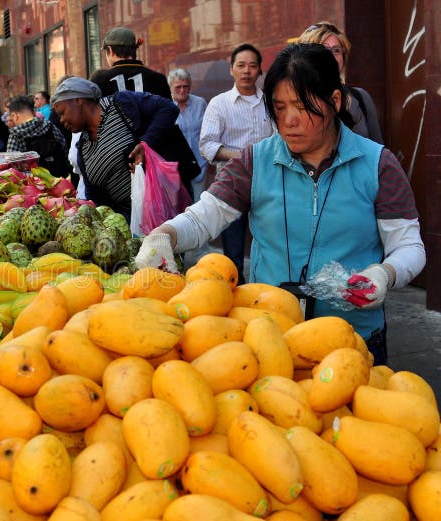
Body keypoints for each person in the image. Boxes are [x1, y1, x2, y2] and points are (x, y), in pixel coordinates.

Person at [136, 43, 425, 365]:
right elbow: (206, 216)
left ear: (335, 100)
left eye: (302, 107)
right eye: (279, 107)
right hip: (270, 337)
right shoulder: (255, 160)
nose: (289, 121)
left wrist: (384, 273)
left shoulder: (377, 164)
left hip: (353, 340)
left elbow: (409, 245)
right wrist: (164, 234)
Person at [51, 77, 184, 221]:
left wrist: (146, 144)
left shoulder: (120, 104)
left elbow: (168, 108)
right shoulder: (83, 150)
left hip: (166, 208)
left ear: (78, 100)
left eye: (62, 112)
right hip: (133, 225)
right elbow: (97, 201)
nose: (61, 120)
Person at [199, 43, 275, 284]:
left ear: (259, 70)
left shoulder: (270, 103)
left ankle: (268, 291)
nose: (247, 71)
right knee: (233, 251)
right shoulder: (219, 104)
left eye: (252, 66)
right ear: (231, 69)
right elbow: (207, 145)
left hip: (268, 182)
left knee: (270, 243)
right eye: (241, 65)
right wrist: (242, 156)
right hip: (232, 183)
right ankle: (236, 296)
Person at [298, 20, 383, 144]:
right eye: (323, 50)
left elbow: (379, 150)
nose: (331, 56)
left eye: (336, 50)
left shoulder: (361, 97)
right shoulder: (296, 98)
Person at [90, 26, 171, 99]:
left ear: (110, 50)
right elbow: (170, 112)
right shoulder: (158, 79)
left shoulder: (99, 79)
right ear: (135, 49)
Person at [6, 95, 68, 177]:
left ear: (15, 115)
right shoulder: (50, 126)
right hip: (57, 181)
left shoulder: (16, 134)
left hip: (31, 185)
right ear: (33, 111)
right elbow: (65, 151)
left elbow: (12, 168)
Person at [170, 68, 208, 201]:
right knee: (181, 207)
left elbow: (208, 131)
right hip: (176, 167)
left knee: (199, 203)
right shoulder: (165, 106)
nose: (182, 90)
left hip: (199, 163)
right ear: (170, 87)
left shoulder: (200, 103)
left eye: (186, 86)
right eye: (178, 87)